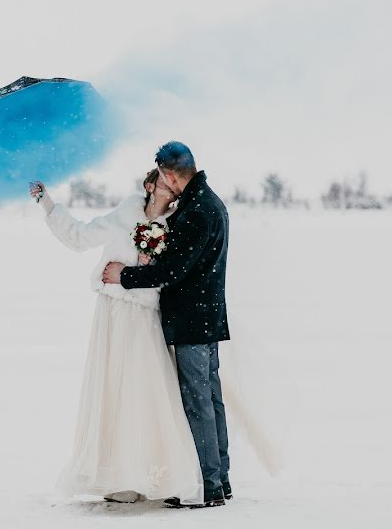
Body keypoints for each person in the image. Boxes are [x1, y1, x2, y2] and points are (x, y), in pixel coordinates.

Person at [30, 169, 204, 505]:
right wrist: (47, 203)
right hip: (112, 313)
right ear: (149, 186)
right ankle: (118, 476)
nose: (169, 185)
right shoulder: (125, 214)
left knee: (143, 389)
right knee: (112, 388)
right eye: (162, 180)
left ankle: (153, 474)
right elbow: (80, 237)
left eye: (173, 181)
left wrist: (136, 271)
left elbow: (173, 272)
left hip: (144, 314)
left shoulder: (175, 222)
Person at [103, 141, 232, 509]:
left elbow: (174, 270)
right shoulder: (207, 202)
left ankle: (207, 487)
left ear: (171, 174)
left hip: (193, 318)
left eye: (161, 175)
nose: (159, 182)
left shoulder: (197, 211)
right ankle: (219, 478)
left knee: (198, 401)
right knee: (210, 398)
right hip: (206, 315)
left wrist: (124, 276)